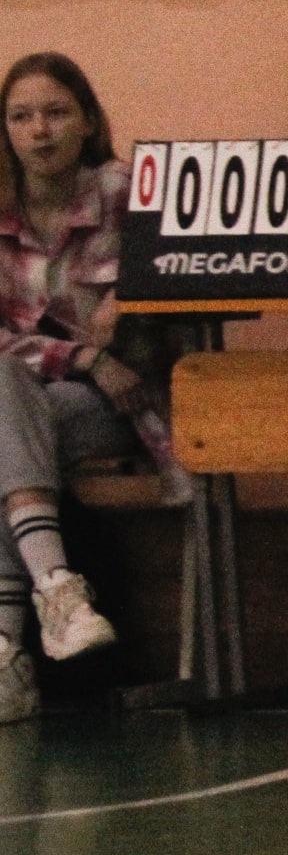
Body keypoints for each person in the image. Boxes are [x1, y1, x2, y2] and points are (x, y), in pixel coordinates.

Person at [0, 52, 178, 719]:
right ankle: (57, 590)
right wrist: (82, 358)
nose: (39, 130)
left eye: (56, 112)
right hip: (41, 395)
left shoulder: (126, 191)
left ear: (88, 121)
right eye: (21, 116)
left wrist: (133, 297)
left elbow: (183, 274)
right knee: (3, 401)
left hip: (124, 402)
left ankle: (8, 650)